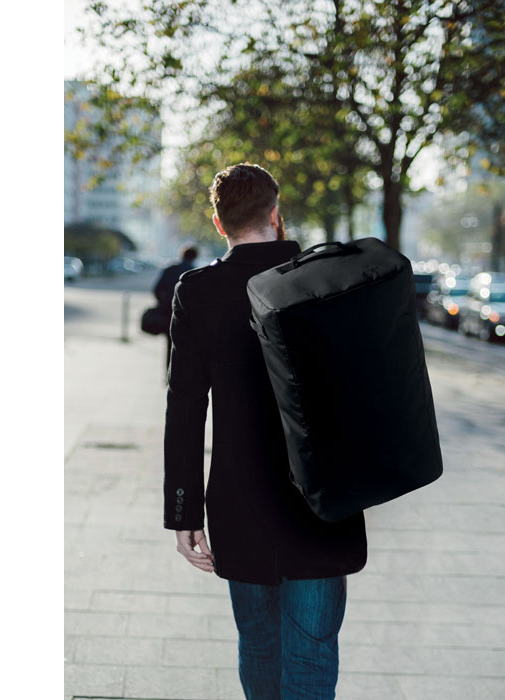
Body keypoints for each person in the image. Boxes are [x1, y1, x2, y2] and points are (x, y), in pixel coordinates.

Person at [163, 163, 367, 699]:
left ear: (218, 223)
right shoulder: (324, 280)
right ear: (276, 215)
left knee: (257, 643)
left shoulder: (198, 292)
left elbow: (184, 408)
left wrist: (183, 511)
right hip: (320, 502)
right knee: (312, 653)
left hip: (241, 502)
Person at [152, 246, 199, 376]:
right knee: (187, 347)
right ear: (195, 257)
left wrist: (163, 304)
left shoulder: (169, 269)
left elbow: (157, 289)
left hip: (169, 313)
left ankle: (169, 375)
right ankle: (182, 375)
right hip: (188, 316)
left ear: (182, 255)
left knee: (170, 345)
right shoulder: (195, 272)